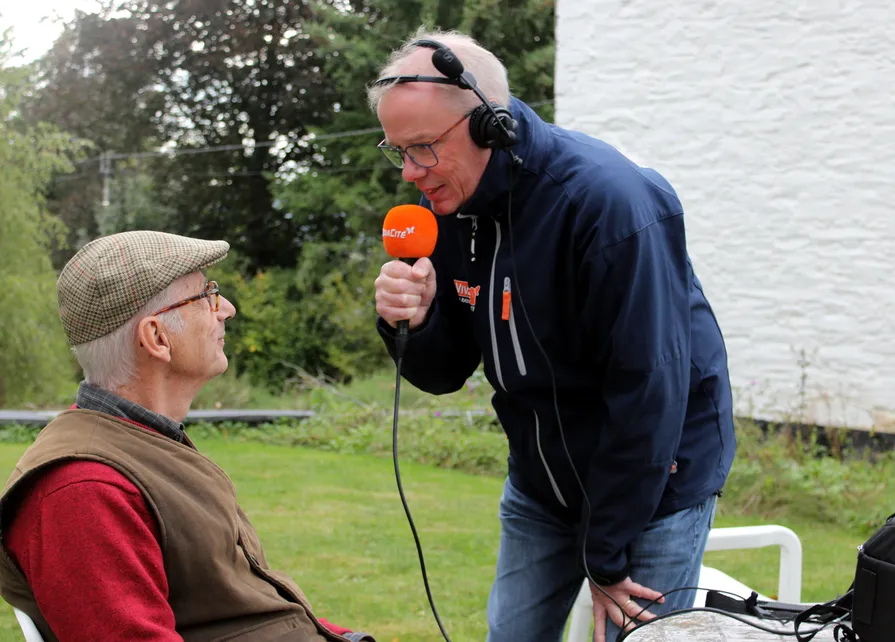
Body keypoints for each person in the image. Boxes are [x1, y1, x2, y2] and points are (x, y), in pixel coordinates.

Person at [369, 29, 736, 642]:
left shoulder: (607, 202)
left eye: (423, 149)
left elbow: (650, 388)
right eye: (398, 151)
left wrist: (607, 553)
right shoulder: (451, 209)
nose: (410, 174)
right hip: (542, 482)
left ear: (489, 125)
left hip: (652, 484)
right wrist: (415, 320)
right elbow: (442, 372)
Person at [0, 231, 374, 642]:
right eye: (207, 296)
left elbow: (241, 607)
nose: (227, 309)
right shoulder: (82, 490)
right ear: (157, 338)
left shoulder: (141, 441)